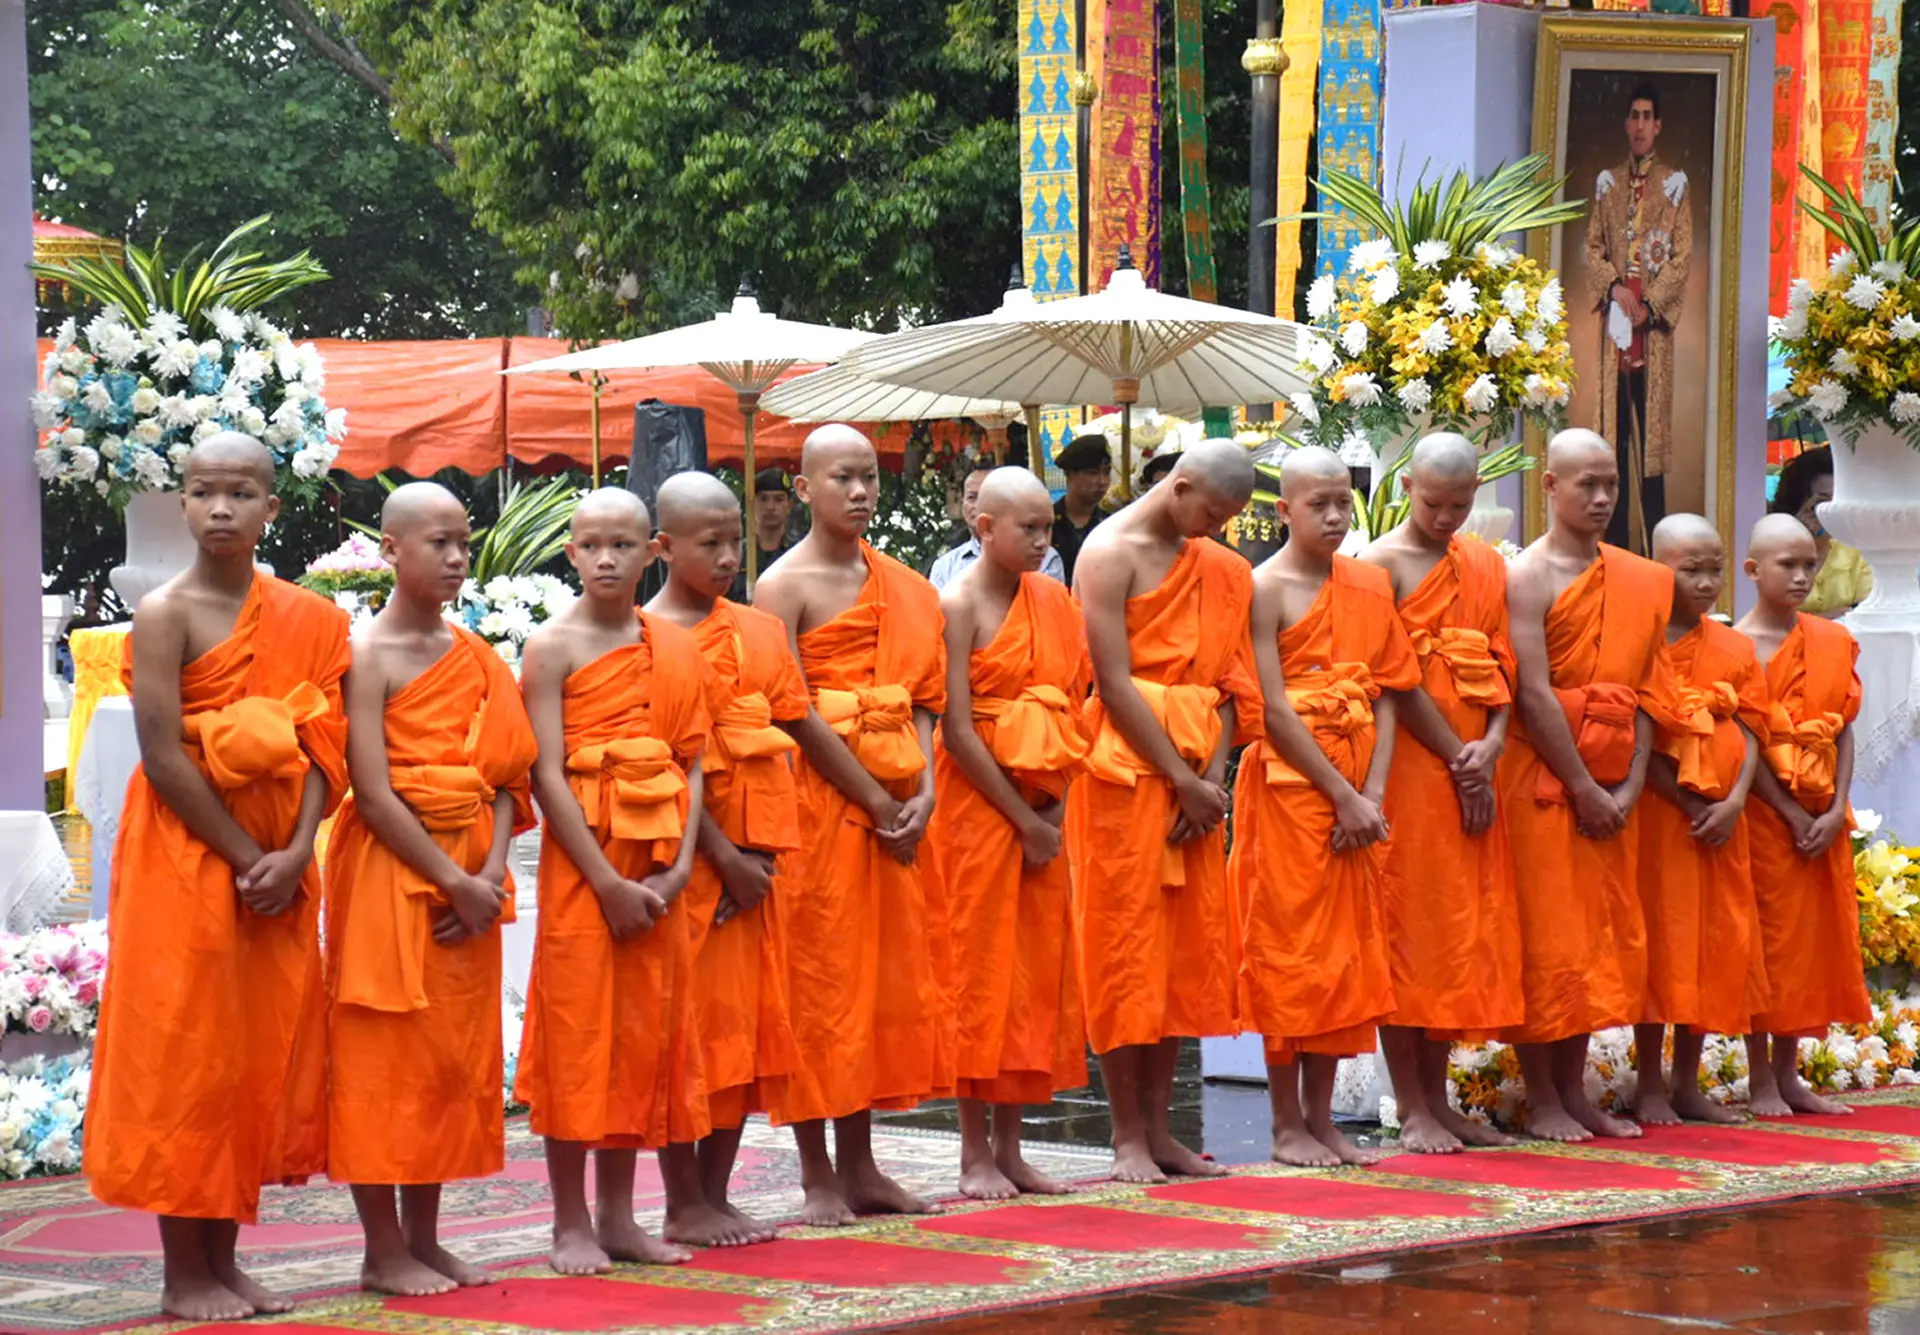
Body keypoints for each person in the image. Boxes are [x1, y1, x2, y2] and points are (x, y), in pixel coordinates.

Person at [84, 433, 349, 1321]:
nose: (222, 508)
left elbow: (326, 744)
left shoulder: (311, 618)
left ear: (273, 506)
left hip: (279, 852)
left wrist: (297, 851)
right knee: (187, 1050)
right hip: (187, 851)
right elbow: (162, 756)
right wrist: (247, 857)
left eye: (241, 492)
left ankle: (224, 1260)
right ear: (184, 503)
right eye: (204, 492)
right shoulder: (164, 613)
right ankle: (182, 1272)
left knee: (251, 1049)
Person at [327, 483, 538, 1292]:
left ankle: (425, 1235)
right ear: (389, 549)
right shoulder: (365, 656)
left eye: (463, 543)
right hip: (393, 874)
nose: (456, 558)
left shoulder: (476, 653)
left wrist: (487, 877)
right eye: (438, 543)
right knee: (382, 1058)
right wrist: (452, 878)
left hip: (470, 880)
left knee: (448, 1057)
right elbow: (373, 792)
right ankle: (381, 1248)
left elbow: (508, 775)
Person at [752, 424, 949, 1225]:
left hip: (898, 801)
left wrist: (924, 788)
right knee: (819, 983)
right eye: (842, 478)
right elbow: (791, 711)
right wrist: (873, 798)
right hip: (819, 807)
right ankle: (817, 1174)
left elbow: (925, 699)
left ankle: (863, 1164)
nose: (861, 491)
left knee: (879, 982)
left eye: (869, 476)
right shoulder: (782, 586)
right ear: (805, 489)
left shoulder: (906, 587)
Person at [515, 488, 712, 1273]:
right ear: (570, 553)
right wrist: (603, 881)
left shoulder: (675, 647)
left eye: (622, 545)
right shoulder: (551, 647)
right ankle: (569, 1221)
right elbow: (546, 773)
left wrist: (683, 863)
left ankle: (620, 1216)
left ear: (652, 551)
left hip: (658, 865)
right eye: (591, 545)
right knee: (576, 1037)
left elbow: (691, 759)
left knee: (640, 1032)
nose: (606, 559)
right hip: (585, 870)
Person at [1068, 439, 1261, 1183]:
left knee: (1180, 957)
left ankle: (1163, 1131)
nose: (1217, 529)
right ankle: (1126, 1135)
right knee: (1124, 954)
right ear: (1179, 489)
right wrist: (1179, 778)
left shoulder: (1223, 569)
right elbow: (1111, 681)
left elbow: (1230, 684)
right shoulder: (1107, 553)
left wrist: (1209, 779)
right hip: (1124, 777)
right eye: (1212, 513)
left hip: (1195, 782)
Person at [1232, 446, 1419, 1167]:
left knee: (1346, 953)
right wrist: (1341, 794)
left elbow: (1388, 690)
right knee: (1289, 953)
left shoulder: (1368, 584)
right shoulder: (1263, 589)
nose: (1337, 516)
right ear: (1284, 510)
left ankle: (1322, 1117)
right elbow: (1270, 708)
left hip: (1357, 792)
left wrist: (1371, 792)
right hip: (1290, 793)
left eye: (1345, 501)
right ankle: (1286, 1123)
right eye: (1320, 505)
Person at [1502, 429, 1681, 1142]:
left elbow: (1649, 694)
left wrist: (1629, 787)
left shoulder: (1638, 579)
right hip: (1544, 782)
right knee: (1547, 936)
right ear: (1550, 485)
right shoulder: (1526, 576)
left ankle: (1573, 1091)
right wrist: (1582, 787)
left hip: (1613, 787)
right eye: (1588, 484)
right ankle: (1541, 1095)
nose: (1604, 497)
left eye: (1611, 483)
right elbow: (1531, 693)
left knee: (1595, 938)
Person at [645, 472, 804, 1247]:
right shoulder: (641, 636)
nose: (728, 556)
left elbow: (784, 735)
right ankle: (682, 1199)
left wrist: (761, 852)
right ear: (663, 546)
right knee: (687, 1030)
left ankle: (716, 1192)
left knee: (742, 1028)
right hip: (685, 857)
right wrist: (722, 855)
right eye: (709, 543)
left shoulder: (759, 630)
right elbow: (669, 764)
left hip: (757, 860)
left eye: (734, 540)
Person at [926, 468, 1092, 1200]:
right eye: (1028, 528)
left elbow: (1074, 704)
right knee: (977, 972)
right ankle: (973, 1153)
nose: (1042, 541)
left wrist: (1052, 808)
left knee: (1031, 971)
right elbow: (957, 729)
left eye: (1047, 527)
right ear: (984, 526)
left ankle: (1012, 1147)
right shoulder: (956, 605)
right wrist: (1022, 818)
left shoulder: (1053, 600)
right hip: (975, 809)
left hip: (1044, 802)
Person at [1360, 435, 1526, 1154]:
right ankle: (1411, 1105)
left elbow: (1503, 662)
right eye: (1433, 503)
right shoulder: (1377, 566)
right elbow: (1392, 677)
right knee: (1411, 931)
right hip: (1412, 768)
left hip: (1476, 764)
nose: (1446, 517)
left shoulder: (1483, 563)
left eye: (1460, 505)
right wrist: (1460, 758)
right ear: (1406, 488)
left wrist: (1493, 743)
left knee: (1459, 931)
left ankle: (1441, 1099)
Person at [1631, 514, 1769, 1126]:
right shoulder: (1640, 644)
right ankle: (1648, 1083)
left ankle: (1685, 1083)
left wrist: (1735, 799)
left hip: (1722, 821)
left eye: (1715, 569)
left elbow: (1754, 730)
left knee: (1709, 947)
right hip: (1661, 819)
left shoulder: (1735, 647)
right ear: (1658, 569)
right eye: (1692, 570)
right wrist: (1689, 803)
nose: (1707, 582)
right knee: (1658, 946)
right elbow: (1637, 740)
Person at [1736, 513, 1873, 1115]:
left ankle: (1789, 1074)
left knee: (1807, 946)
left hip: (1822, 818)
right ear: (1752, 569)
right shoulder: (1735, 647)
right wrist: (1791, 813)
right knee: (1764, 945)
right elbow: (1743, 743)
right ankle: (1760, 1077)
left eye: (1808, 566)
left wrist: (1838, 806)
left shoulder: (1830, 640)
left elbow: (1842, 729)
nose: (1800, 576)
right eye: (1786, 565)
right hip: (1765, 818)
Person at [1584, 81, 1693, 556]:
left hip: (1650, 330)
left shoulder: (1674, 185)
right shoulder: (1608, 183)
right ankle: (1615, 552)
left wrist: (1649, 306)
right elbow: (1593, 247)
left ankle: (1657, 555)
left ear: (1658, 125)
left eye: (1649, 116)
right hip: (1616, 328)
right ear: (1627, 124)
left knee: (1650, 454)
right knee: (1615, 449)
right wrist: (1612, 287)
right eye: (1635, 115)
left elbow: (1681, 257)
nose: (1641, 125)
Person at [1770, 446, 1874, 618]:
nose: (1831, 512)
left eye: (1837, 501)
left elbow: (1866, 614)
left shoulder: (1856, 552)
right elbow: (1771, 619)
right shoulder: (1772, 552)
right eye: (1822, 502)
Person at [928, 462, 1066, 589]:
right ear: (962, 504)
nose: (979, 505)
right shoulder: (945, 566)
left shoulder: (1044, 557)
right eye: (972, 497)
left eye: (987, 497)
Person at [1050, 432, 1117, 586]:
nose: (1102, 481)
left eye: (1106, 473)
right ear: (1070, 474)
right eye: (1092, 473)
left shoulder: (1111, 525)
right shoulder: (1048, 523)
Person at [727, 467, 800, 600]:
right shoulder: (736, 554)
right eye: (763, 499)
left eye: (778, 500)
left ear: (789, 505)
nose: (770, 507)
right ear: (751, 504)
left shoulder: (799, 554)